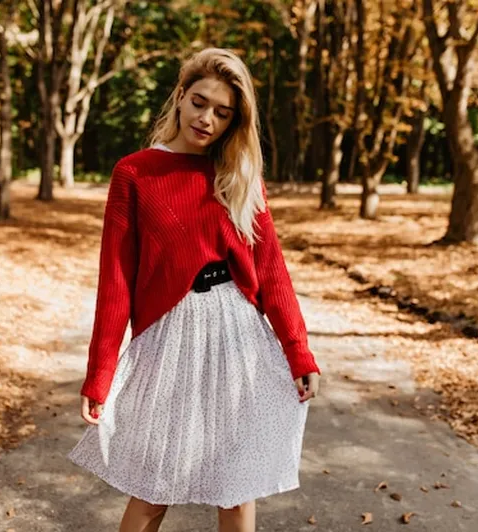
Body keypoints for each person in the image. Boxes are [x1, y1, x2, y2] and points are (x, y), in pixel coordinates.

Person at [67, 47, 322, 532]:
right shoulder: (135, 172)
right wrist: (99, 373)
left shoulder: (240, 176)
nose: (207, 119)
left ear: (233, 122)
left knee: (238, 488)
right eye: (200, 102)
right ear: (181, 97)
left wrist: (298, 352)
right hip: (168, 337)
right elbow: (115, 281)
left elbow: (271, 269)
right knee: (152, 486)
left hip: (237, 336)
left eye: (223, 113)